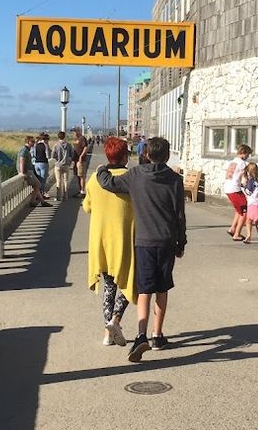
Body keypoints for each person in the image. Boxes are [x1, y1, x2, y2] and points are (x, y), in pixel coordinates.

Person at [96, 136, 186, 363]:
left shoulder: (135, 176)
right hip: (166, 240)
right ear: (167, 156)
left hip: (143, 241)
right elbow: (179, 214)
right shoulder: (175, 180)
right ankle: (157, 336)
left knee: (144, 289)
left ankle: (141, 335)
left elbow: (109, 183)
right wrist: (181, 242)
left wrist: (101, 169)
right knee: (162, 288)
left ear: (146, 154)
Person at [83, 136, 136, 346]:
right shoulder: (132, 178)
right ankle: (115, 321)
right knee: (129, 283)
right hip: (124, 238)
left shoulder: (95, 179)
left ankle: (107, 334)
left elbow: (87, 207)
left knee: (109, 287)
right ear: (124, 156)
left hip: (101, 241)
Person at [224, 144, 252, 240]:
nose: (248, 156)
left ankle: (232, 229)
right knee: (245, 211)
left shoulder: (233, 161)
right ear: (243, 153)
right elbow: (247, 177)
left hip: (228, 188)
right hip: (235, 190)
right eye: (248, 154)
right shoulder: (243, 164)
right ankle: (237, 234)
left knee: (238, 210)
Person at [239, 162, 258, 243]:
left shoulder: (252, 181)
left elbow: (248, 192)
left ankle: (248, 236)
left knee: (249, 220)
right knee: (257, 221)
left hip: (253, 203)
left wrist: (243, 186)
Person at [18, 135, 48, 207]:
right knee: (38, 184)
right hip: (27, 171)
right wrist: (22, 172)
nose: (34, 143)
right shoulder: (24, 150)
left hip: (29, 171)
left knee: (36, 186)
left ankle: (42, 202)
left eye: (34, 142)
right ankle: (33, 201)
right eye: (32, 142)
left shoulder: (27, 149)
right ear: (28, 142)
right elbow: (22, 160)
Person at [51, 131, 75, 202]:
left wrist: (57, 158)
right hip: (66, 165)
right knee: (66, 180)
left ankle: (58, 196)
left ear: (58, 137)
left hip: (58, 165)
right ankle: (65, 196)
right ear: (64, 136)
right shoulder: (69, 145)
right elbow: (72, 154)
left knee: (58, 180)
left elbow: (52, 155)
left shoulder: (56, 145)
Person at [72, 127, 91, 195]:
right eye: (73, 132)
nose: (74, 133)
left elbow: (85, 147)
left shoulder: (82, 138)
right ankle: (80, 190)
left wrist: (81, 156)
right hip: (75, 160)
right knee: (77, 176)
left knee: (81, 175)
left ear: (78, 131)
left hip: (80, 160)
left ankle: (82, 191)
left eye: (75, 131)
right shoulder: (75, 139)